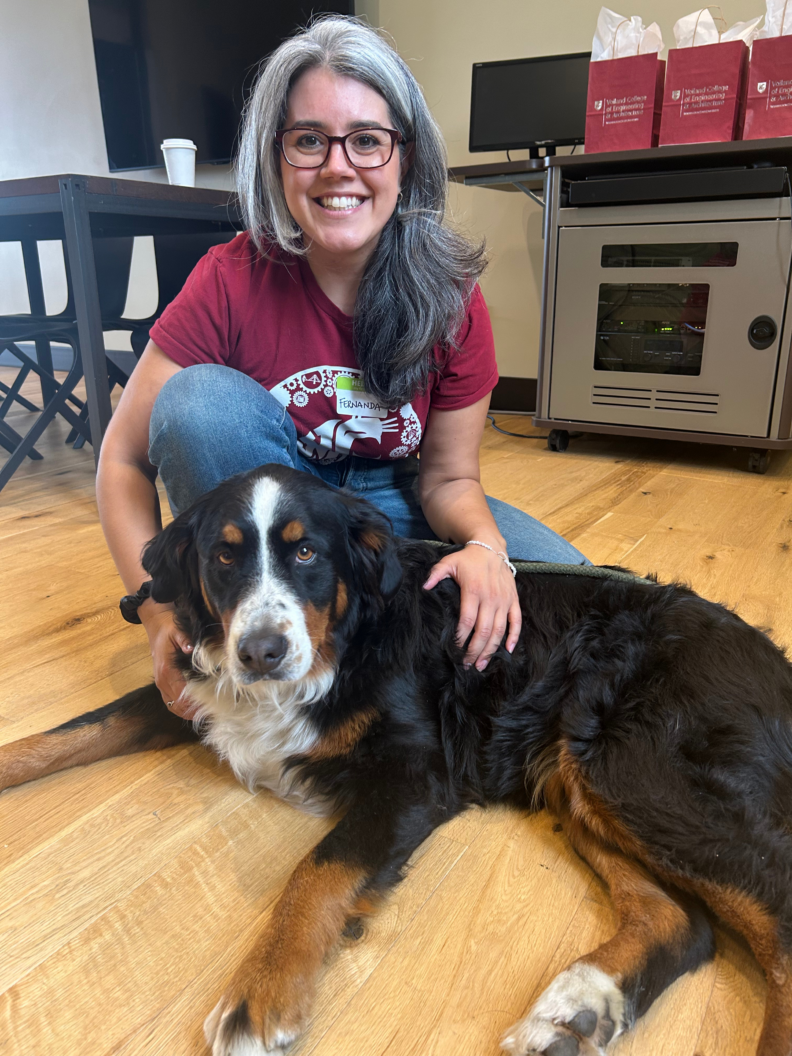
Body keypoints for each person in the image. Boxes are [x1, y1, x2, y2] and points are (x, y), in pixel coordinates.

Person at [96, 15, 587, 720]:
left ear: (405, 158)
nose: (337, 166)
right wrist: (155, 612)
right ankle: (265, 633)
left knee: (577, 592)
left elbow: (449, 479)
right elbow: (121, 460)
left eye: (366, 140)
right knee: (198, 402)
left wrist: (485, 546)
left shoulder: (452, 298)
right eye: (308, 140)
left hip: (390, 509)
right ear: (277, 157)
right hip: (269, 514)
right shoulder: (229, 278)